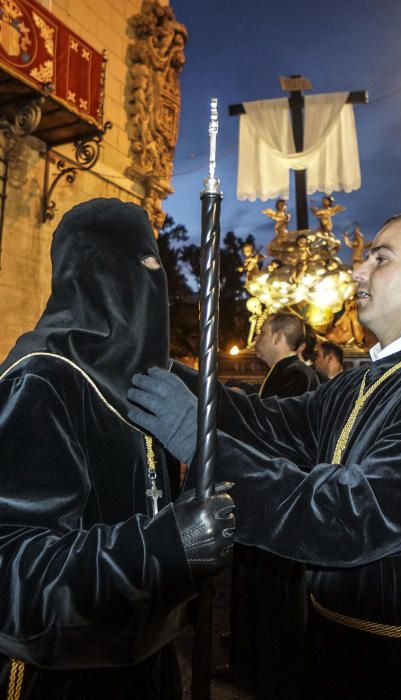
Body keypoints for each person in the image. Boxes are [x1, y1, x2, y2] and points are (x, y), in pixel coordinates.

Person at [128, 212, 401, 698]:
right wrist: (155, 365)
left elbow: (351, 517)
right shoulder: (360, 380)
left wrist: (200, 443)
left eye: (381, 257)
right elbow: (271, 425)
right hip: (331, 644)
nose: (358, 271)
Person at [0, 198, 235, 699]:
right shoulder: (42, 382)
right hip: (64, 673)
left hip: (147, 657)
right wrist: (166, 545)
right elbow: (15, 569)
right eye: (138, 266)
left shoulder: (141, 384)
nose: (153, 287)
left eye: (158, 268)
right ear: (91, 276)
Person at [221, 312, 319, 697]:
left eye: (261, 332)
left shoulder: (296, 376)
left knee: (273, 595)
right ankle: (251, 665)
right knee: (256, 591)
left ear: (279, 337)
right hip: (269, 497)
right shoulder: (285, 374)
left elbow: (276, 438)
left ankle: (269, 672)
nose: (256, 339)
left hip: (278, 499)